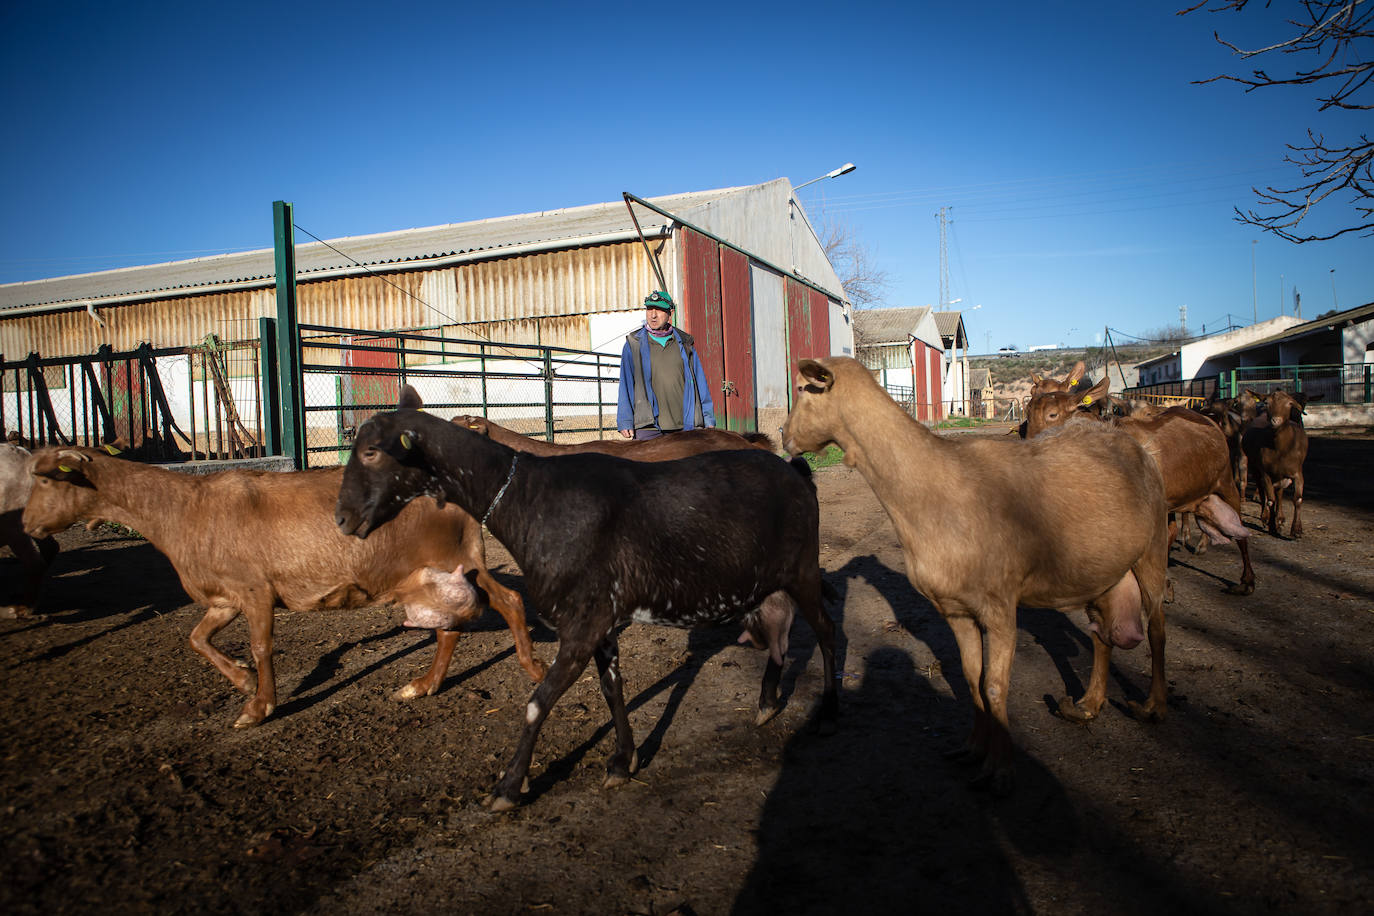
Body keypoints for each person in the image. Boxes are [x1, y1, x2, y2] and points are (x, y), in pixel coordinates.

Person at [617, 290, 715, 439]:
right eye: (649, 309)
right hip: (648, 427)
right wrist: (625, 420)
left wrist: (707, 417)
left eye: (659, 310)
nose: (653, 315)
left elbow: (700, 383)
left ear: (671, 313)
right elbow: (626, 384)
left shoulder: (685, 343)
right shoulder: (634, 344)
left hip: (684, 425)